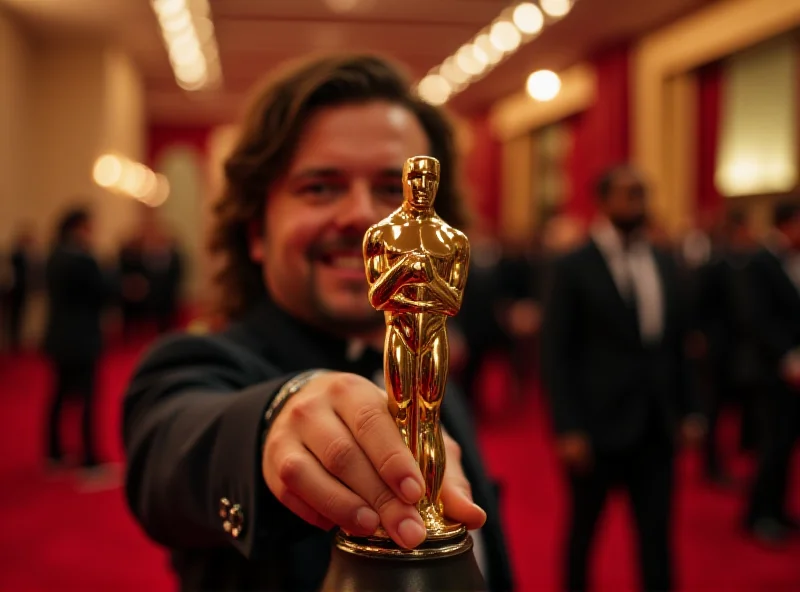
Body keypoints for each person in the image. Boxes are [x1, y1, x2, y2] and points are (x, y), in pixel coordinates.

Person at [122, 54, 513, 592]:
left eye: (387, 186)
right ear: (256, 229)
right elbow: (172, 454)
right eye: (320, 187)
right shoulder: (195, 364)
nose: (361, 215)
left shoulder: (434, 352)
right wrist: (277, 418)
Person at [541, 165, 703, 592]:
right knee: (584, 531)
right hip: (595, 426)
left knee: (656, 534)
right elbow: (557, 353)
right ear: (603, 200)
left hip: (656, 424)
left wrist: (690, 410)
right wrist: (568, 426)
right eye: (628, 194)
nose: (638, 203)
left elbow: (676, 345)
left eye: (642, 194)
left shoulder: (663, 260)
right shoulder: (573, 265)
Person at [743, 201, 800, 545]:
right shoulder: (761, 261)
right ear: (787, 224)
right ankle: (758, 514)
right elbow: (756, 320)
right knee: (771, 446)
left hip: (793, 371)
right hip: (769, 372)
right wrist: (787, 358)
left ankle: (777, 509)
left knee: (787, 445)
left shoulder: (790, 259)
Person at [43, 207, 111, 475]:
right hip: (82, 338)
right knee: (87, 397)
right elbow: (102, 291)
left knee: (59, 395)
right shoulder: (83, 259)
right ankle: (89, 458)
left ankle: (54, 453)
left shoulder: (55, 256)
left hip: (59, 336)